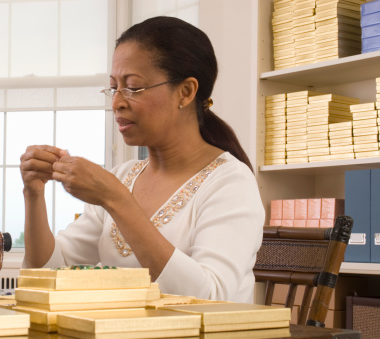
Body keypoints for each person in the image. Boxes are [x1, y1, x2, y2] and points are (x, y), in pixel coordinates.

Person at [20, 16, 265, 303]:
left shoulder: (231, 182)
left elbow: (209, 297)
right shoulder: (124, 176)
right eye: (114, 88)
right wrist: (33, 195)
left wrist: (115, 199)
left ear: (185, 92)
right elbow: (49, 274)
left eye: (133, 87)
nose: (117, 103)